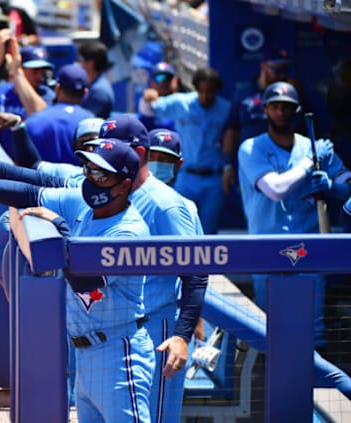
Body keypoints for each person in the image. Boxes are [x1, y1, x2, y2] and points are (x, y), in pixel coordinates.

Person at [0, 115, 209, 423]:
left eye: (100, 172)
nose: (90, 177)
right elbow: (33, 187)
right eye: (89, 168)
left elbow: (195, 269)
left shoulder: (152, 214)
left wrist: (184, 332)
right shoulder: (92, 198)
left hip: (142, 330)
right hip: (90, 341)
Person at [238, 80, 351, 400]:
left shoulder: (312, 145)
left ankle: (317, 396)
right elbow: (275, 189)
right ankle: (268, 394)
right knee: (268, 324)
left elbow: (347, 184)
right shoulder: (252, 147)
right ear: (265, 110)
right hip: (267, 247)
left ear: (296, 111)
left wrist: (331, 184)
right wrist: (307, 166)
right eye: (275, 106)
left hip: (308, 246)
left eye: (286, 107)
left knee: (312, 325)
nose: (281, 112)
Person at [139, 66, 230, 234]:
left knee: (208, 232)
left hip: (213, 178)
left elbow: (231, 138)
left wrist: (228, 166)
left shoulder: (225, 109)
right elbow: (148, 109)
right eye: (201, 90)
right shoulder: (182, 102)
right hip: (186, 176)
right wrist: (147, 98)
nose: (205, 95)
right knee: (180, 226)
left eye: (210, 91)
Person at [221, 48, 292, 229]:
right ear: (263, 67)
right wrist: (227, 166)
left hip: (283, 161)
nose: (280, 74)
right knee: (256, 212)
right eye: (275, 69)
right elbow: (232, 129)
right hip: (251, 161)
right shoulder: (244, 92)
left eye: (284, 69)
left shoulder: (290, 93)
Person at [23, 63, 95, 164]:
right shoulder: (94, 124)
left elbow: (22, 162)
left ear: (57, 88)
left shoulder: (33, 121)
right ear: (85, 93)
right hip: (79, 179)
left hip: (38, 179)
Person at [77, 39, 115, 119]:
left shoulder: (100, 90)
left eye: (81, 59)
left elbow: (86, 120)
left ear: (91, 63)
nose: (78, 62)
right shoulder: (89, 84)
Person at [138, 62, 179, 132]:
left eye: (168, 78)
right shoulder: (147, 103)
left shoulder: (183, 102)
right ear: (150, 82)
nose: (164, 82)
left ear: (175, 81)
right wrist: (148, 103)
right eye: (159, 78)